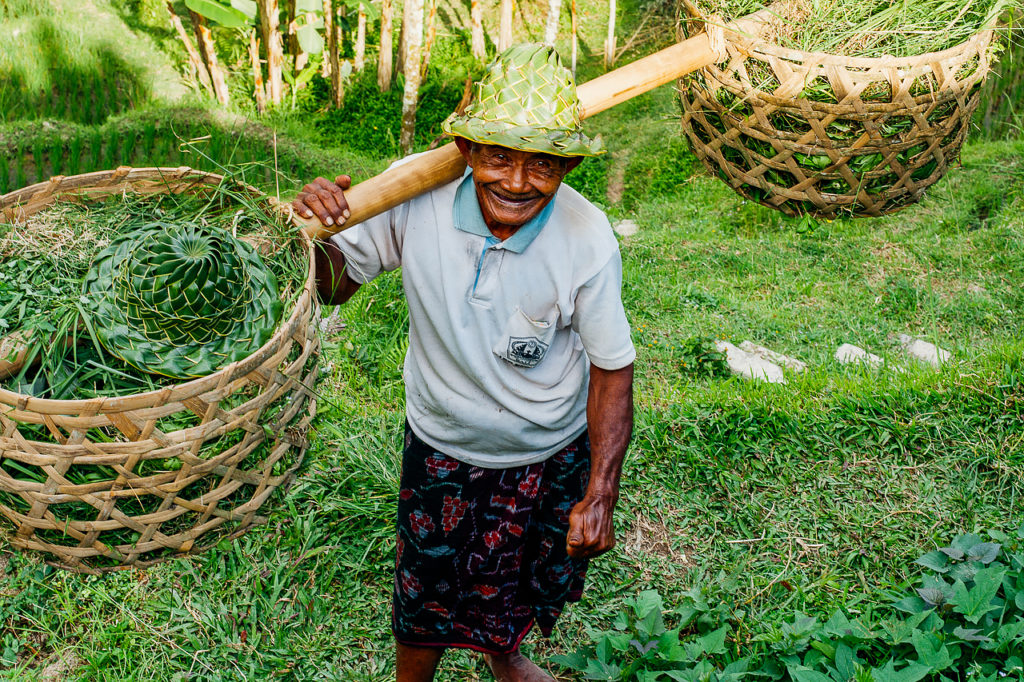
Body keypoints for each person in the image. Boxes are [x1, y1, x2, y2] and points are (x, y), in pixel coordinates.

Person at [293, 43, 635, 682]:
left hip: (546, 450)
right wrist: (306, 237)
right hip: (442, 444)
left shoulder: (587, 238)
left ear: (567, 164)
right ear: (469, 150)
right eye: (499, 156)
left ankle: (504, 655)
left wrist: (600, 490)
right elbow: (333, 284)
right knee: (425, 591)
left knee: (519, 581)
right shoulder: (412, 191)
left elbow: (613, 369)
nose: (515, 181)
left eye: (542, 163)